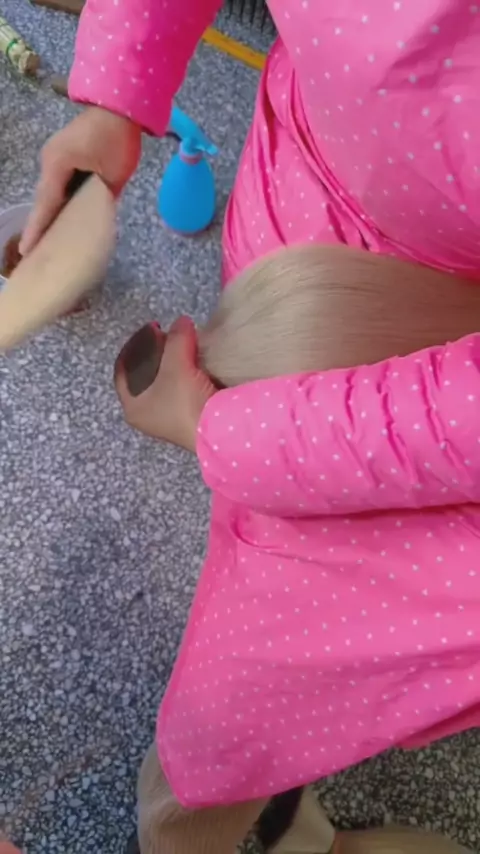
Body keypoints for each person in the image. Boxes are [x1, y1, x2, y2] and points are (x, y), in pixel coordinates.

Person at [20, 1, 480, 851]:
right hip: (301, 213)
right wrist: (119, 92)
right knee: (245, 632)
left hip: (442, 435)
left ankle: (236, 813)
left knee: (243, 701)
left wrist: (224, 434)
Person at [113, 245, 480, 854]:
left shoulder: (236, 669)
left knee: (210, 767)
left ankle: (293, 831)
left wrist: (222, 432)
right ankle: (297, 831)